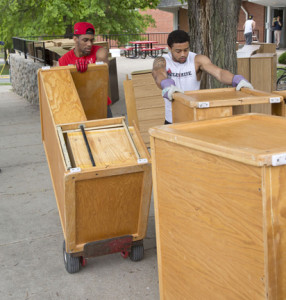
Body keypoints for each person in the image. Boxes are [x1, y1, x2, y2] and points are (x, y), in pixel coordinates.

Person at [152, 30, 253, 124]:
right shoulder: (162, 61)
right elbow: (158, 74)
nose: (183, 54)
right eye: (178, 51)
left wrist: (237, 79)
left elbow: (219, 73)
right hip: (172, 119)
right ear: (169, 48)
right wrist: (167, 85)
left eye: (186, 50)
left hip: (194, 118)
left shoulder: (197, 60)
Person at [58, 22, 112, 117]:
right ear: (75, 39)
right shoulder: (64, 60)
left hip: (100, 104)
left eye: (91, 40)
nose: (89, 44)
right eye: (85, 40)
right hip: (77, 108)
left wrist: (89, 69)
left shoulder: (99, 52)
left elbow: (102, 76)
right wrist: (74, 69)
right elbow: (63, 90)